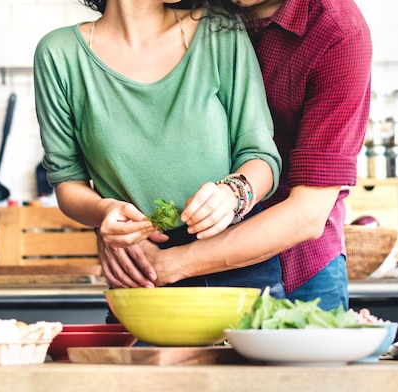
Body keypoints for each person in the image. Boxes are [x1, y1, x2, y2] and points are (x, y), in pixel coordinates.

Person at [98, 0, 372, 311]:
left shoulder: (338, 31)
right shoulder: (187, 6)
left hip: (297, 266)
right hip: (170, 252)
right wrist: (112, 227)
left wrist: (164, 265)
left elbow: (307, 215)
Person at [33, 0, 285, 297]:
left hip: (239, 268)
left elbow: (261, 156)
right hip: (142, 274)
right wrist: (105, 212)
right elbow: (67, 183)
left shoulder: (219, 28)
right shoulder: (58, 54)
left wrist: (232, 193)